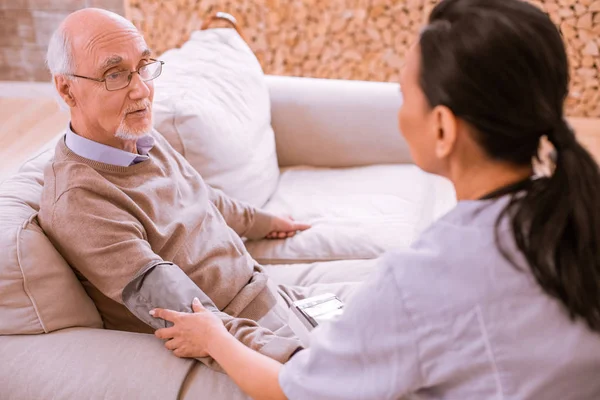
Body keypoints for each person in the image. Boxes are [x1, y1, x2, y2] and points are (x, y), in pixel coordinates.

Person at [150, 0, 600, 398]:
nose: (401, 111)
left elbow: (291, 391)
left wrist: (213, 337)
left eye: (405, 95)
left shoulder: (424, 280)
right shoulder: (577, 211)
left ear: (442, 129)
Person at [38, 8, 365, 368]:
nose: (142, 90)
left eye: (143, 65)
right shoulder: (80, 203)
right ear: (67, 88)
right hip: (244, 339)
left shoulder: (136, 137)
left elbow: (200, 195)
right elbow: (187, 317)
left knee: (411, 311)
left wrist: (262, 220)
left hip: (275, 297)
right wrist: (301, 360)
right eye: (114, 74)